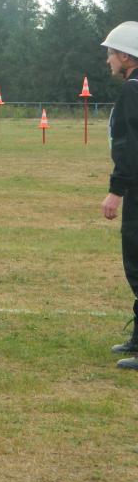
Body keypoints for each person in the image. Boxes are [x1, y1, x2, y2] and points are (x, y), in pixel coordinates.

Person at [101, 21, 138, 370]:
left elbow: (129, 146)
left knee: (137, 261)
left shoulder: (132, 90)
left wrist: (116, 190)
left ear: (126, 56)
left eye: (112, 54)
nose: (109, 60)